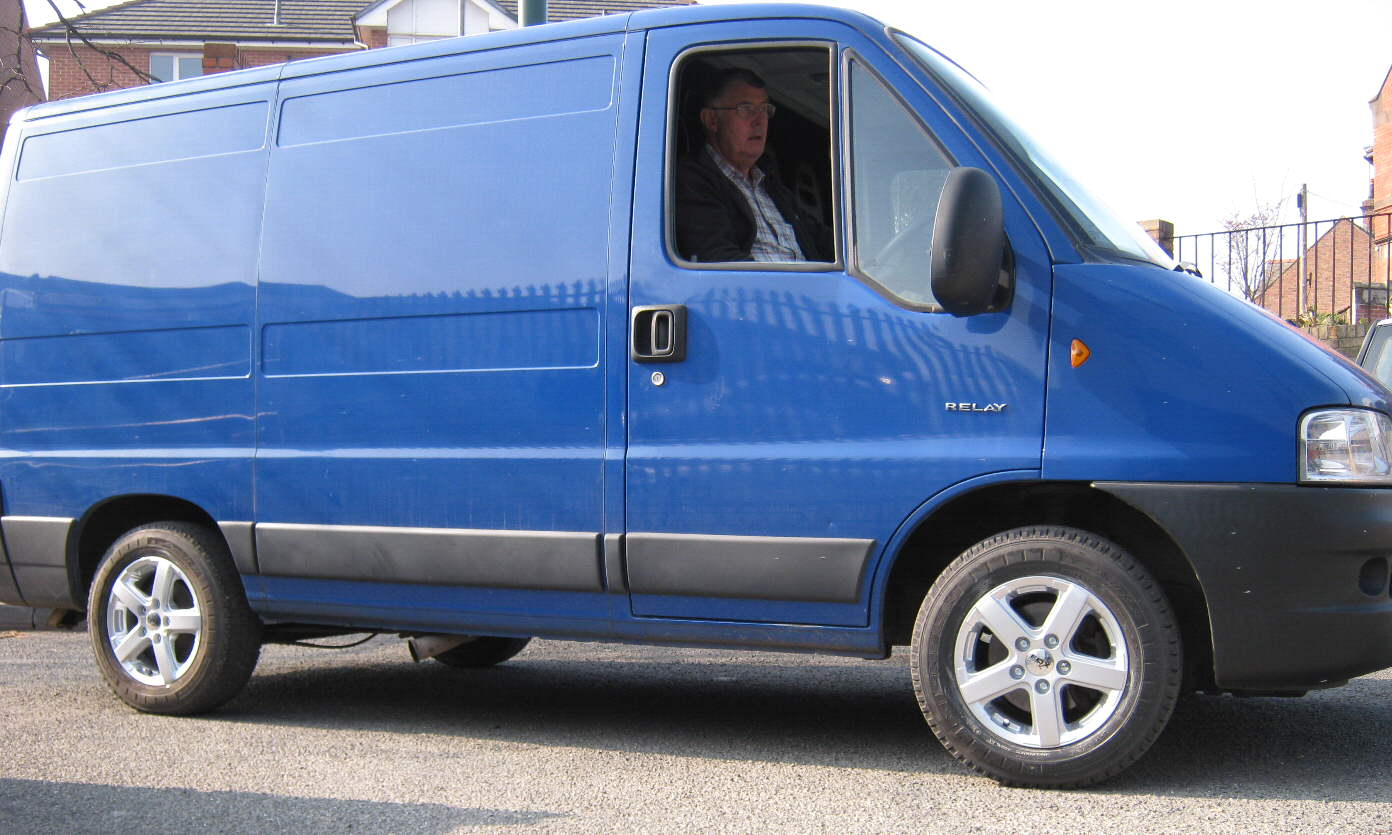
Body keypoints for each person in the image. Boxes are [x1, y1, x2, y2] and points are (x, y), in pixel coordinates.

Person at [675, 68, 832, 263]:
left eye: (764, 109)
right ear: (712, 120)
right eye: (746, 109)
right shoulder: (692, 182)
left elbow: (824, 241)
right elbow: (718, 260)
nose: (759, 121)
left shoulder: (773, 188)